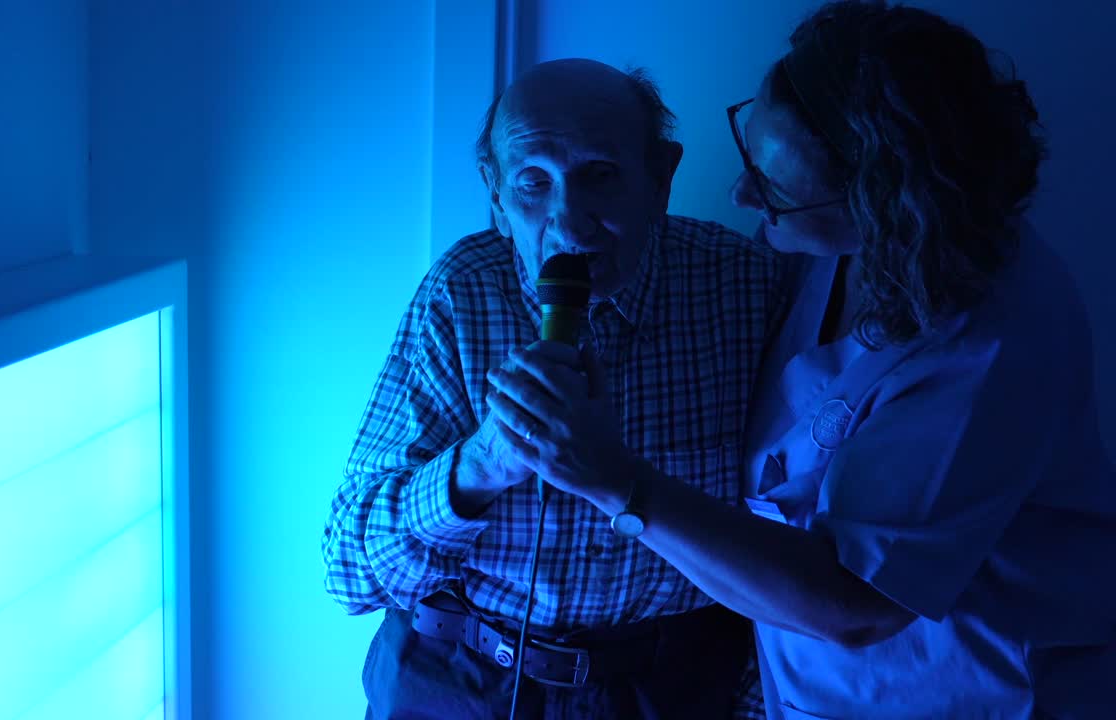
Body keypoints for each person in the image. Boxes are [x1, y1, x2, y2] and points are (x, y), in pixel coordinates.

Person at [486, 2, 1116, 717]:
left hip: (963, 695)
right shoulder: (819, 254)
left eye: (775, 188)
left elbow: (858, 604)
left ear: (884, 201)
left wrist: (615, 482)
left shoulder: (997, 337)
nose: (741, 194)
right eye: (751, 152)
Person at [322, 58, 788, 718]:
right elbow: (347, 573)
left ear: (662, 177)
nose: (568, 225)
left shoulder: (747, 285)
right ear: (496, 193)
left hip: (669, 686)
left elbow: (797, 533)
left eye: (600, 175)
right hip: (460, 676)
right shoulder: (462, 292)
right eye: (532, 184)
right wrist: (478, 466)